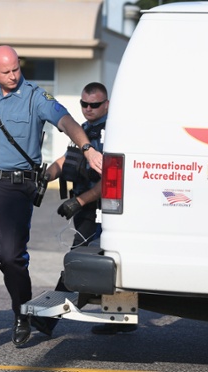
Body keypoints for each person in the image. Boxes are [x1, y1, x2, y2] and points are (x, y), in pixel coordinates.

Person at [0, 45, 103, 354]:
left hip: (16, 189)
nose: (13, 75)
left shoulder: (37, 97)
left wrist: (87, 148)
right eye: (6, 71)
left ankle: (22, 313)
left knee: (11, 258)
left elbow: (66, 123)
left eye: (16, 69)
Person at [31, 82, 137, 336]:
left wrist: (78, 201)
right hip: (87, 210)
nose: (88, 109)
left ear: (107, 104)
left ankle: (49, 319)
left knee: (78, 261)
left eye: (95, 104)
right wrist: (46, 175)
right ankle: (121, 320)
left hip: (104, 210)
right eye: (84, 104)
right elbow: (67, 159)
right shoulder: (87, 130)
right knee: (111, 264)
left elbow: (112, 178)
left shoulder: (112, 133)